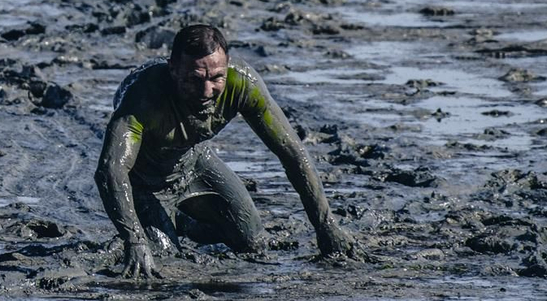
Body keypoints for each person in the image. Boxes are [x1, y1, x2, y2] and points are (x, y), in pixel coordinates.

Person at [94, 24, 358, 279]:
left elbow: (292, 153)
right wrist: (134, 240)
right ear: (172, 69)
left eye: (216, 78)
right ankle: (158, 225)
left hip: (194, 163)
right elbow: (111, 171)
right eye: (194, 79)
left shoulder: (242, 83)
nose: (206, 91)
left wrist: (326, 225)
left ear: (227, 65)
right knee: (164, 257)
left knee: (253, 242)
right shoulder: (143, 97)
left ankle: (184, 222)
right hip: (144, 184)